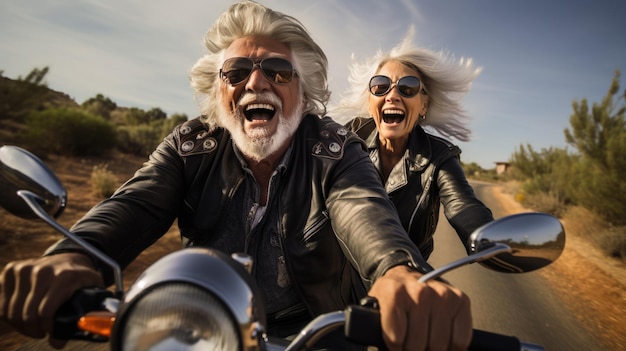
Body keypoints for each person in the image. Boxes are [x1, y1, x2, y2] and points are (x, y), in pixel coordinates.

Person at [0, 2, 472, 350]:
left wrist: (398, 274)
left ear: (303, 96)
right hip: (198, 326)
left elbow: (364, 209)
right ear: (219, 91)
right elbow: (134, 204)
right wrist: (72, 256)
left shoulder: (336, 151)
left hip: (315, 331)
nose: (256, 81)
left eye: (278, 71)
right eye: (238, 70)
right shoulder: (190, 145)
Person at [336, 30, 494, 260]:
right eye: (381, 86)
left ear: (423, 106)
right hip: (339, 284)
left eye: (408, 87)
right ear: (370, 102)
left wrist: (488, 241)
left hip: (408, 280)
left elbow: (464, 206)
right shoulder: (347, 138)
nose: (392, 95)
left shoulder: (440, 156)